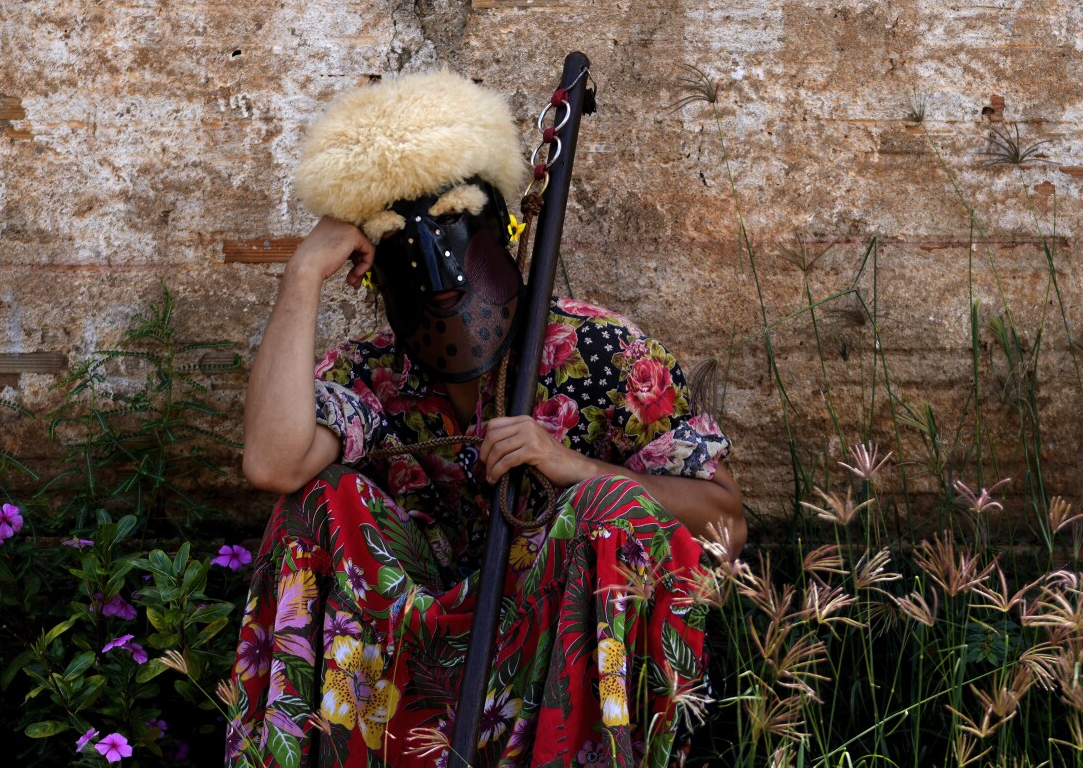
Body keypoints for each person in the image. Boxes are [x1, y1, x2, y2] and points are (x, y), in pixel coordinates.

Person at [229, 68, 745, 768]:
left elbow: (725, 527)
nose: (440, 278)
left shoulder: (604, 353)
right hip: (415, 668)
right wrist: (302, 276)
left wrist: (575, 470)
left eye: (450, 230)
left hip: (565, 657)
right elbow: (273, 462)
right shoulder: (374, 373)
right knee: (317, 503)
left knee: (606, 506)